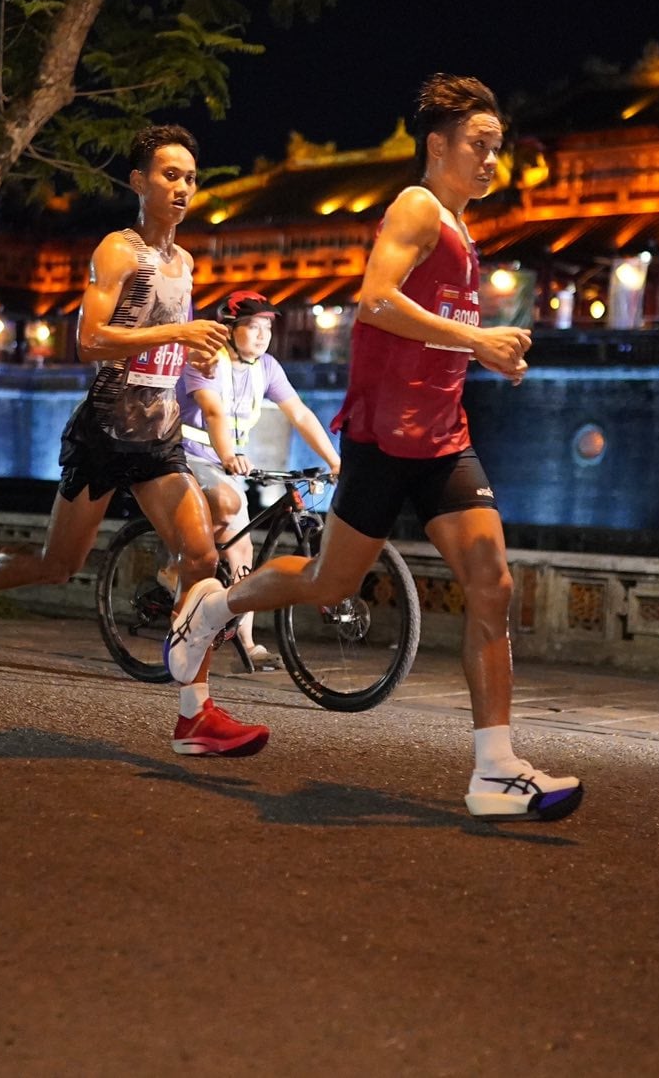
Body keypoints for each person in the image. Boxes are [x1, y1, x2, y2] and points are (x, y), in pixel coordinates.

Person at [165, 74, 584, 821]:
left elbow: (434, 332)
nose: (493, 160)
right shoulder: (417, 207)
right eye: (479, 145)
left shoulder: (463, 230)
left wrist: (489, 353)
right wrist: (479, 341)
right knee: (328, 582)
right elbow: (376, 299)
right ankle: (214, 608)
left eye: (498, 147)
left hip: (445, 439)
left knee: (492, 584)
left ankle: (495, 770)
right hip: (385, 438)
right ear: (438, 146)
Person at [0, 125, 270, 756]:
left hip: (157, 437)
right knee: (58, 565)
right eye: (169, 175)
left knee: (200, 558)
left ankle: (194, 716)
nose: (183, 187)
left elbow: (165, 346)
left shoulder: (185, 263)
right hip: (106, 433)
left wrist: (194, 356)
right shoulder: (118, 251)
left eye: (191, 178)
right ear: (138, 182)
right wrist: (179, 335)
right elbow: (91, 340)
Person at [175, 291, 341, 663]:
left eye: (267, 327)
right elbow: (213, 412)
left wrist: (334, 460)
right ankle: (175, 567)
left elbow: (299, 413)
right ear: (229, 330)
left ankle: (246, 643)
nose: (263, 335)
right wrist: (228, 455)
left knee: (243, 551)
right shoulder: (206, 359)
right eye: (252, 326)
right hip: (187, 456)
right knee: (228, 503)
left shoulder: (267, 367)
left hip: (225, 464)